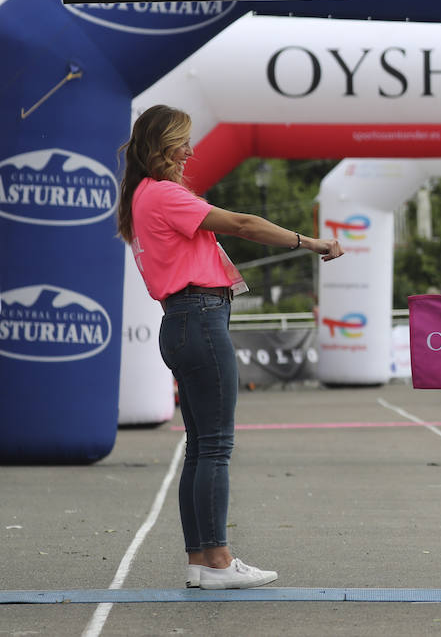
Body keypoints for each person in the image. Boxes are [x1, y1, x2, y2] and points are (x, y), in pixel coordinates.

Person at [116, 105, 344, 590]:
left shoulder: (141, 195)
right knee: (214, 447)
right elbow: (242, 223)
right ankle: (217, 560)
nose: (191, 153)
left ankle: (202, 561)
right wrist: (310, 242)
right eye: (183, 143)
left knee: (201, 448)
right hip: (199, 319)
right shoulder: (164, 195)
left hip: (182, 321)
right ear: (161, 147)